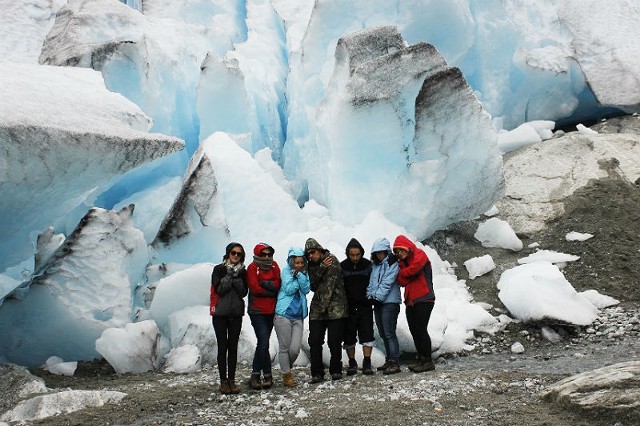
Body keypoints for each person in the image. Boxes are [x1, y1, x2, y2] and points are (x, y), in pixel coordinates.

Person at [305, 238, 348, 383]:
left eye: (313, 252)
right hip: (318, 310)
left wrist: (320, 308)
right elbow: (312, 285)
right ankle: (316, 373)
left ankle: (336, 370)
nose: (311, 256)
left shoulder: (332, 261)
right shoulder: (312, 265)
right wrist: (321, 269)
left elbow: (327, 287)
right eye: (308, 254)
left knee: (334, 341)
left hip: (335, 308)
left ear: (320, 250)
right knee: (315, 341)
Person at [392, 235, 436, 373]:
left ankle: (428, 361)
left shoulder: (419, 254)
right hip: (410, 301)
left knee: (421, 329)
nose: (399, 253)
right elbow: (401, 281)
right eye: (396, 252)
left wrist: (405, 272)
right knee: (415, 330)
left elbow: (415, 268)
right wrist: (405, 271)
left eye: (400, 250)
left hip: (424, 298)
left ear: (406, 246)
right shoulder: (402, 263)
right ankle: (421, 359)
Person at [210, 242, 248, 394]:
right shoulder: (218, 269)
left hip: (236, 314)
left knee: (233, 347)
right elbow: (219, 289)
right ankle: (223, 381)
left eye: (239, 254)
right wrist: (229, 275)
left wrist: (236, 277)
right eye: (234, 253)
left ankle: (231, 380)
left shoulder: (243, 272)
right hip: (220, 314)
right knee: (222, 347)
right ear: (228, 254)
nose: (236, 256)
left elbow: (243, 292)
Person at [246, 243, 281, 390]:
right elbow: (254, 287)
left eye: (269, 254)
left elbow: (278, 283)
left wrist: (265, 284)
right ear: (257, 255)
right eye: (263, 254)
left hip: (271, 311)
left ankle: (257, 375)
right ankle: (265, 374)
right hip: (257, 311)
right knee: (264, 341)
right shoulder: (252, 268)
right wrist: (270, 289)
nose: (267, 257)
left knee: (263, 342)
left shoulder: (274, 266)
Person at [274, 247, 311, 387]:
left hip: (298, 316)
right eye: (297, 263)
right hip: (284, 314)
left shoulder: (304, 273)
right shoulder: (285, 271)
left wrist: (299, 275)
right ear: (291, 262)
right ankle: (287, 375)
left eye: (302, 262)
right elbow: (288, 289)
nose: (300, 265)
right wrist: (298, 280)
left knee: (295, 349)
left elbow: (306, 289)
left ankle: (285, 369)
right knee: (284, 347)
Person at [366, 237, 402, 375]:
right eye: (377, 253)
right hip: (379, 302)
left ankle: (395, 362)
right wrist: (370, 297)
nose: (379, 255)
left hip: (390, 302)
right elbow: (372, 283)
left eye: (381, 252)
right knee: (383, 333)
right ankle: (389, 359)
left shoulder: (392, 263)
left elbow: (387, 282)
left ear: (386, 251)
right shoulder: (375, 265)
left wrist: (377, 298)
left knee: (389, 332)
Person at [340, 238, 374, 375]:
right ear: (347, 254)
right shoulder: (342, 267)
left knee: (367, 334)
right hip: (348, 307)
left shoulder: (368, 266)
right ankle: (352, 363)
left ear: (362, 253)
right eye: (352, 255)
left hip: (365, 306)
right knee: (349, 335)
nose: (355, 258)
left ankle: (367, 362)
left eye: (357, 255)